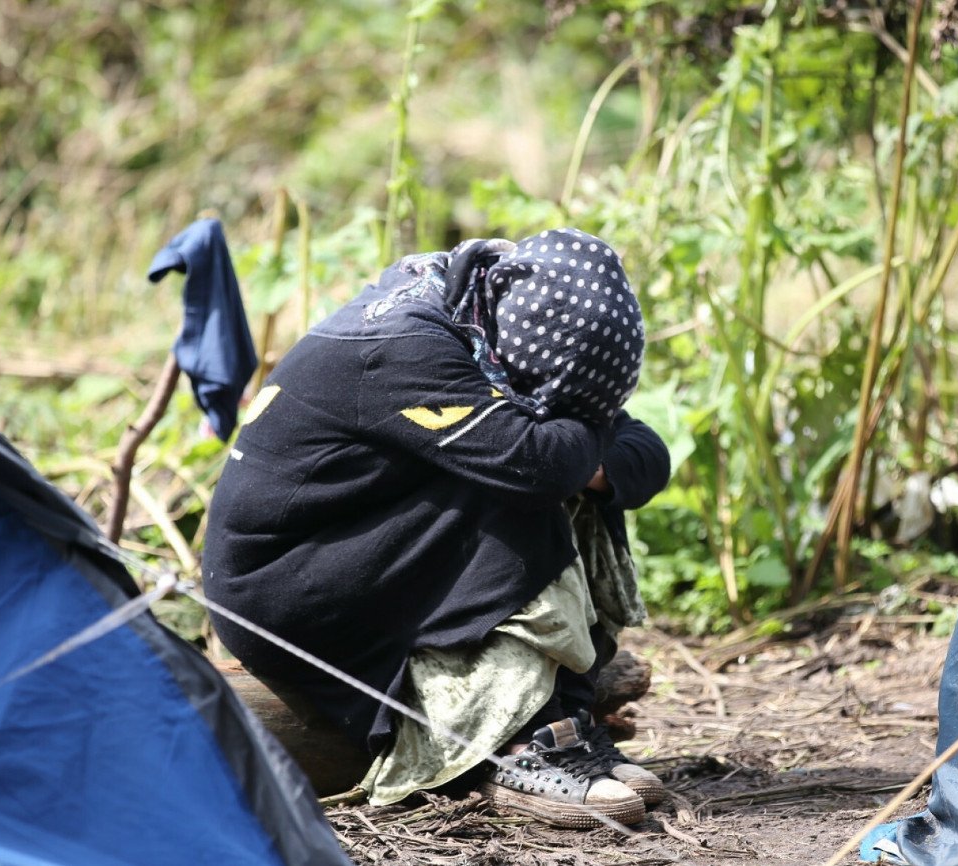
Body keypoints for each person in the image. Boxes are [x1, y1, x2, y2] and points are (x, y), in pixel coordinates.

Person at [202, 228, 670, 828]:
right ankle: (517, 745)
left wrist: (581, 441)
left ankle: (562, 718)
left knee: (551, 469)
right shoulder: (403, 346)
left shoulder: (492, 318)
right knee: (521, 487)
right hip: (281, 590)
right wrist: (579, 438)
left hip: (354, 549)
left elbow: (645, 453)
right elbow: (545, 465)